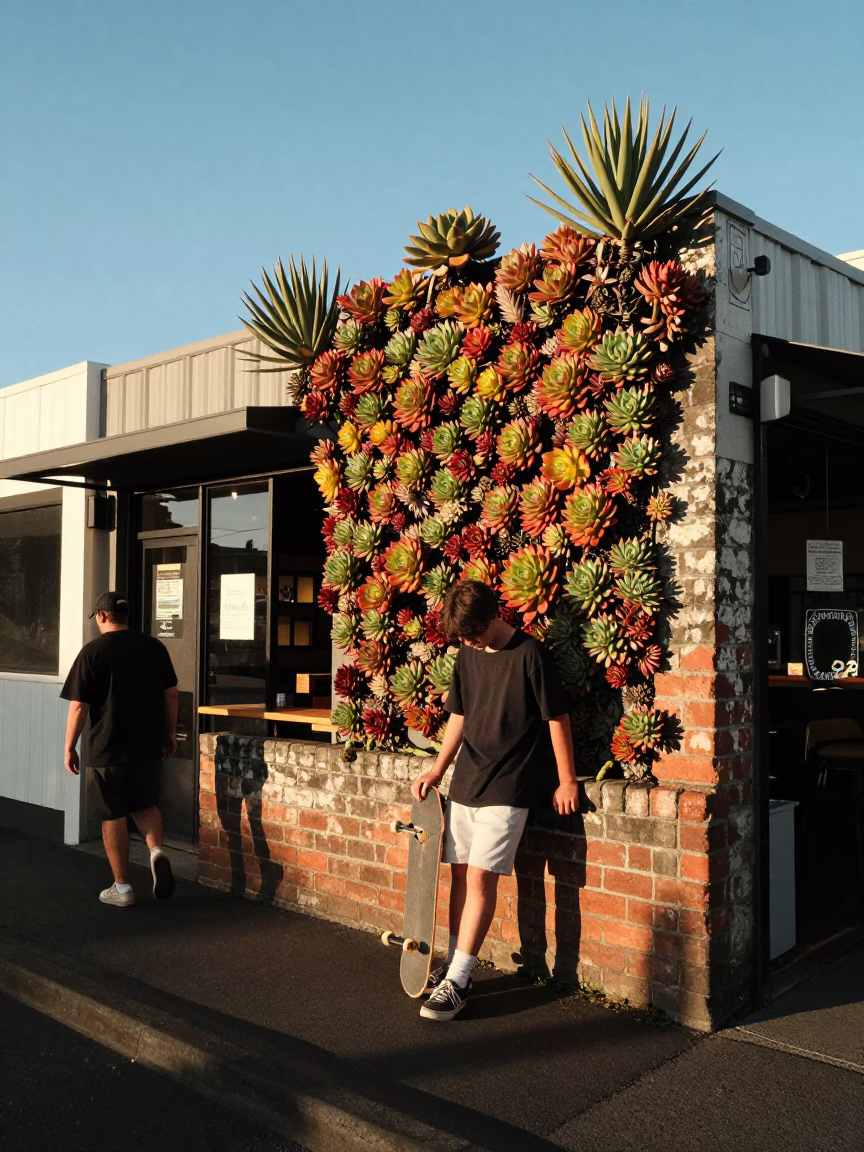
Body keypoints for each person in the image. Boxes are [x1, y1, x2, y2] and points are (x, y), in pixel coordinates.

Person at [411, 579, 579, 1021]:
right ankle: (452, 964)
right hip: (467, 782)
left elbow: (556, 719)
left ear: (492, 617)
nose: (467, 642)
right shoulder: (467, 655)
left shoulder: (530, 655)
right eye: (462, 637)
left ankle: (460, 980)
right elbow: (459, 718)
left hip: (510, 787)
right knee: (461, 878)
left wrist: (567, 780)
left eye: (472, 633)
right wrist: (437, 769)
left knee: (483, 881)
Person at [61, 591, 178, 907]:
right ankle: (156, 852)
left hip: (107, 748)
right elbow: (171, 695)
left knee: (112, 814)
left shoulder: (93, 652)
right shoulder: (154, 647)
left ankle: (122, 887)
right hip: (148, 746)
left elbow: (79, 707)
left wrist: (69, 746)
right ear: (127, 618)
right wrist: (169, 734)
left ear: (101, 616)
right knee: (145, 803)